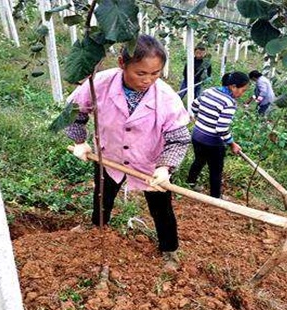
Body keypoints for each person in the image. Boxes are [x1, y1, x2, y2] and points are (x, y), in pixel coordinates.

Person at [64, 35, 191, 270]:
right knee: (102, 195)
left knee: (161, 209)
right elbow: (73, 112)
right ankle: (97, 226)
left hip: (149, 164)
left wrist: (164, 168)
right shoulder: (100, 83)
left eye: (155, 73)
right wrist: (79, 141)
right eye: (141, 73)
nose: (148, 80)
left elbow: (179, 138)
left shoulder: (166, 98)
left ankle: (169, 249)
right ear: (122, 63)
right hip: (108, 156)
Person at [186, 72, 250, 199]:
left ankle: (190, 183)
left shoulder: (210, 91)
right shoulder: (229, 103)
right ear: (233, 86)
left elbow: (193, 106)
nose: (242, 94)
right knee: (216, 169)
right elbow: (221, 128)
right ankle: (215, 197)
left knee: (199, 160)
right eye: (243, 90)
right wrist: (232, 144)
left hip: (197, 135)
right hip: (212, 142)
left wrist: (202, 120)